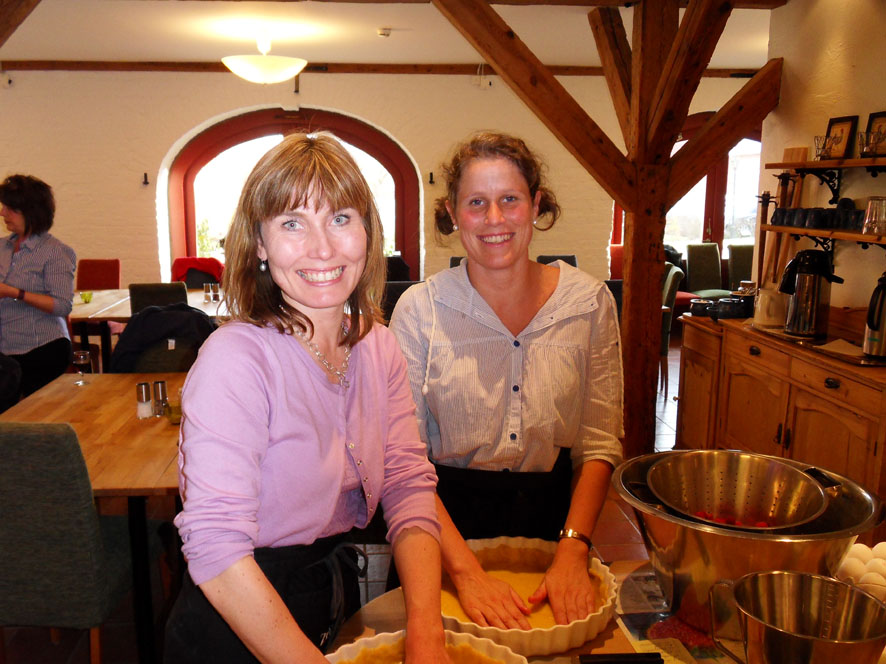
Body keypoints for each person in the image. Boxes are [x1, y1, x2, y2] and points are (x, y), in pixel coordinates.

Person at [165, 133, 451, 664]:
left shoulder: (378, 345)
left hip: (327, 598)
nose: (323, 248)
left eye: (340, 218)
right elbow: (216, 547)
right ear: (259, 243)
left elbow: (407, 484)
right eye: (292, 223)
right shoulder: (237, 358)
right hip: (237, 618)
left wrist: (426, 630)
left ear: (368, 231)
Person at [390, 132, 624, 631]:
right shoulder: (420, 310)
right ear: (453, 213)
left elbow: (599, 441)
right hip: (438, 533)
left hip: (554, 534)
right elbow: (403, 460)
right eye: (476, 203)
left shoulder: (588, 303)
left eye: (510, 200)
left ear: (535, 205)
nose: (494, 219)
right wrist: (466, 573)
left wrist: (573, 549)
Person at [0, 174, 76, 398]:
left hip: (42, 348)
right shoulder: (2, 247)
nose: (3, 213)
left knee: (35, 415)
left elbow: (62, 305)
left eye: (10, 208)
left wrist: (15, 293)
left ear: (31, 211)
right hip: (5, 351)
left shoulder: (55, 251)